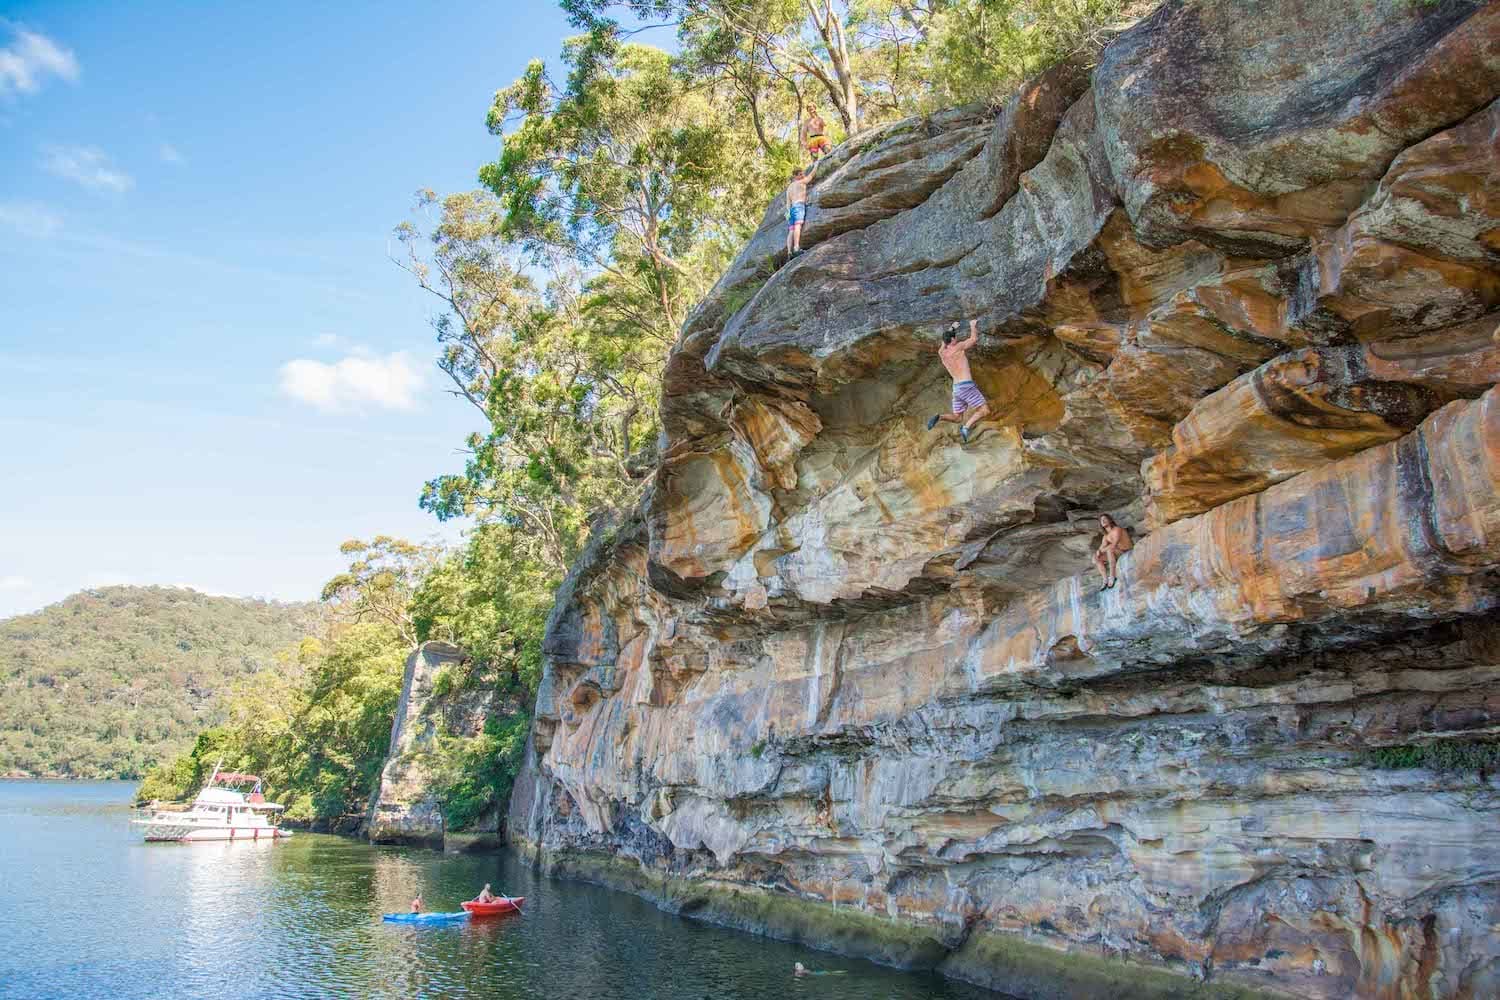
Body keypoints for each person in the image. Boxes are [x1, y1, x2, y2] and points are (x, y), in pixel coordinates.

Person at [925, 318, 989, 444]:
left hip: (957, 389)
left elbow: (945, 340)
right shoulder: (958, 347)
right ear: (953, 340)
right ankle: (966, 427)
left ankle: (940, 417)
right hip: (966, 386)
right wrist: (972, 325)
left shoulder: (942, 353)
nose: (957, 339)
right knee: (984, 410)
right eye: (955, 338)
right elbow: (974, 339)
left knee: (957, 417)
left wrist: (952, 327)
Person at [1092, 514, 1133, 591]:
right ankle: (1105, 580)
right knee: (1095, 557)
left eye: (1105, 519)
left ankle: (1112, 576)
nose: (1103, 521)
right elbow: (1101, 548)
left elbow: (1114, 544)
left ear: (1110, 520)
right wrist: (1098, 552)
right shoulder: (1105, 536)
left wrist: (1101, 550)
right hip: (1117, 553)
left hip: (1126, 551)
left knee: (1110, 550)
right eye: (1101, 521)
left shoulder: (1117, 529)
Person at [785, 167, 809, 258]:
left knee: (791, 230)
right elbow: (810, 176)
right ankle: (796, 248)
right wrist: (816, 165)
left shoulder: (789, 189)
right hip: (799, 206)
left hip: (791, 210)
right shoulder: (800, 182)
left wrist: (788, 213)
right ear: (795, 176)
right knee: (798, 226)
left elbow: (788, 203)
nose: (803, 175)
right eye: (800, 174)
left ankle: (789, 252)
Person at [802, 107, 831, 172]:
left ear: (815, 109)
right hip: (812, 139)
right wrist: (804, 143)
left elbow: (826, 126)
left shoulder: (820, 118)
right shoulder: (807, 122)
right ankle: (816, 172)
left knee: (828, 151)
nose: (811, 110)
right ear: (807, 111)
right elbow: (803, 133)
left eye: (812, 108)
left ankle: (831, 166)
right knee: (814, 158)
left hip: (821, 137)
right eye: (809, 109)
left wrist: (828, 138)